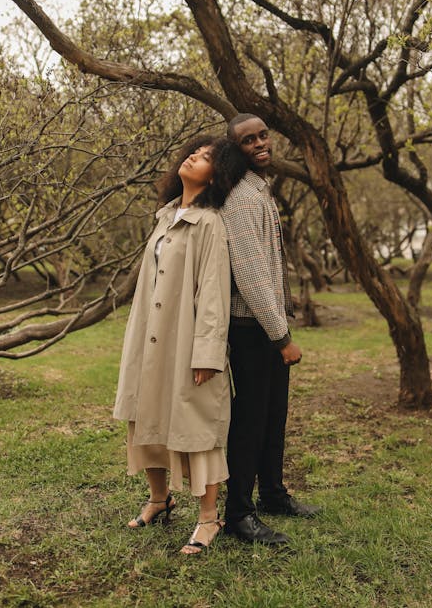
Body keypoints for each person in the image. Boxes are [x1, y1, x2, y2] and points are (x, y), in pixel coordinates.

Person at [113, 134, 246, 555]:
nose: (194, 156)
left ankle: (209, 519)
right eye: (194, 151)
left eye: (206, 157)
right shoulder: (166, 215)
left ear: (215, 176)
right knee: (147, 413)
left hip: (185, 337)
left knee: (196, 425)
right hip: (149, 334)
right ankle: (159, 499)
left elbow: (212, 293)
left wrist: (206, 352)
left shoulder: (210, 223)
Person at [221, 113, 320, 546]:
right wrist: (281, 337)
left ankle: (274, 495)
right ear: (235, 149)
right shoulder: (242, 199)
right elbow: (251, 274)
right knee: (249, 422)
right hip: (252, 329)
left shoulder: (260, 189)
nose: (260, 143)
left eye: (263, 135)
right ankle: (239, 515)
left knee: (273, 417)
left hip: (267, 326)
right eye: (248, 140)